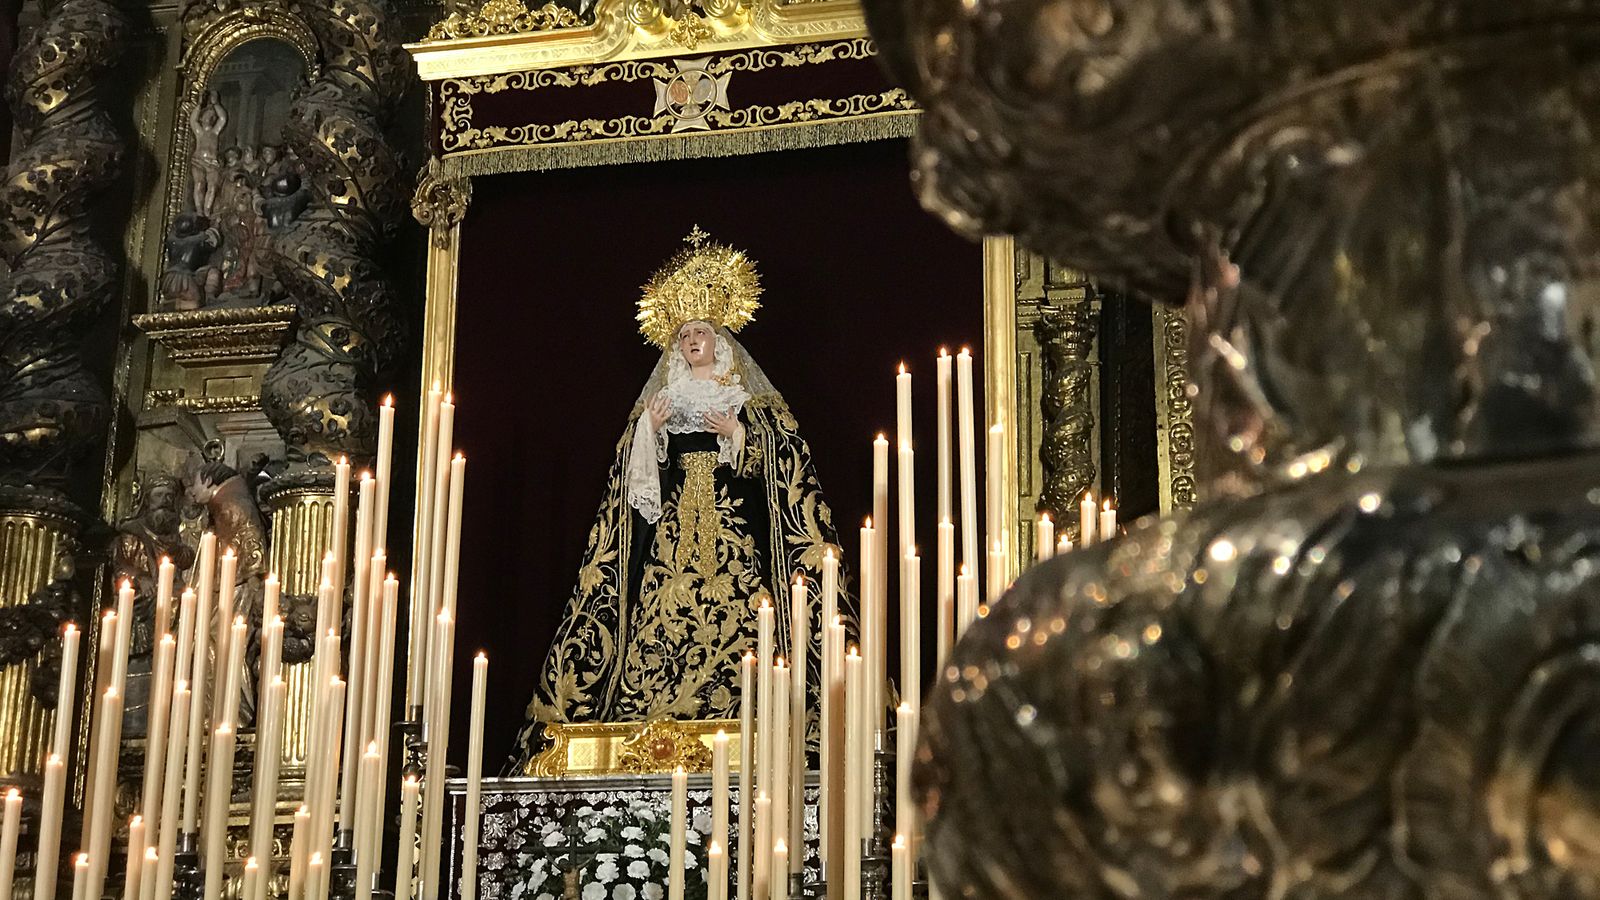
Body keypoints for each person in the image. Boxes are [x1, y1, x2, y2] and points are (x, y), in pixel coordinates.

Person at [511, 228, 856, 769]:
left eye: (701, 331)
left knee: (745, 609)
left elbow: (782, 462)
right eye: (685, 334)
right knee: (659, 604)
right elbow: (635, 477)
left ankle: (752, 708)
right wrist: (649, 430)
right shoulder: (664, 400)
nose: (693, 340)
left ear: (720, 339)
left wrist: (738, 436)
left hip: (731, 525)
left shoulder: (745, 398)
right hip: (673, 531)